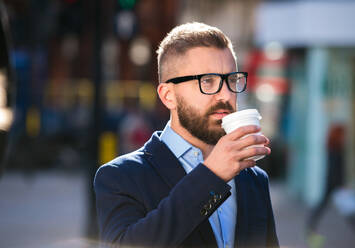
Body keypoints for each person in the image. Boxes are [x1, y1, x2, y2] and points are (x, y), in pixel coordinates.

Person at [94, 22, 279, 248]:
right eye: (207, 81)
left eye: (232, 80)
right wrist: (212, 175)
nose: (226, 94)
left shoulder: (254, 179)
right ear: (168, 95)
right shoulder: (121, 176)